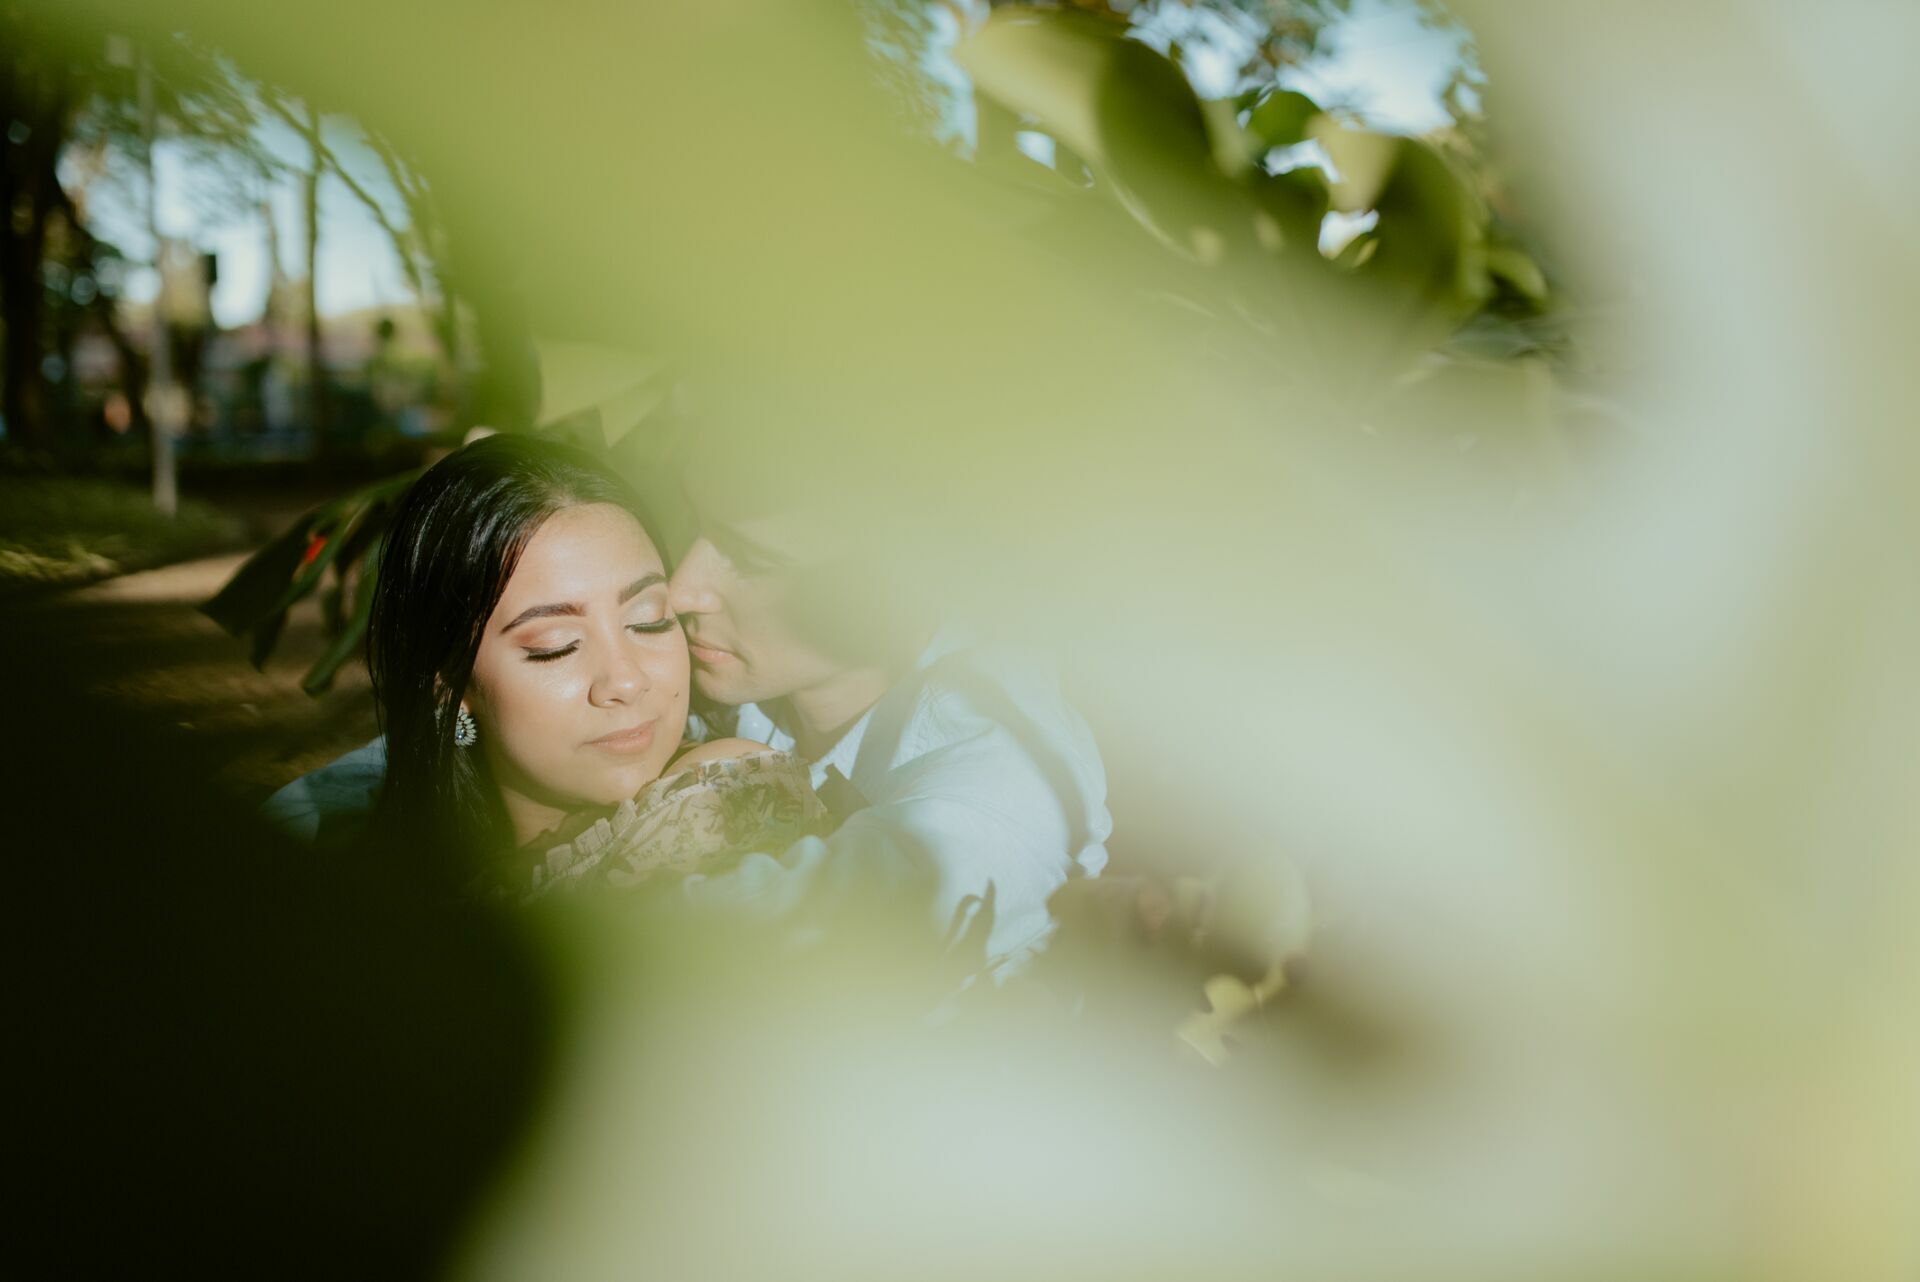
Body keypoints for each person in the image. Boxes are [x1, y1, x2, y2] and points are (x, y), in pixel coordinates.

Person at [267, 430, 1109, 971]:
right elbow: (394, 772)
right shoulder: (728, 698)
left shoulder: (1005, 765)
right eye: (558, 644)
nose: (687, 584)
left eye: (751, 553)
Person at [346, 432, 826, 897]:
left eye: (649, 621)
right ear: (450, 684)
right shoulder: (363, 858)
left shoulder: (718, 796)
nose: (626, 680)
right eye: (557, 646)